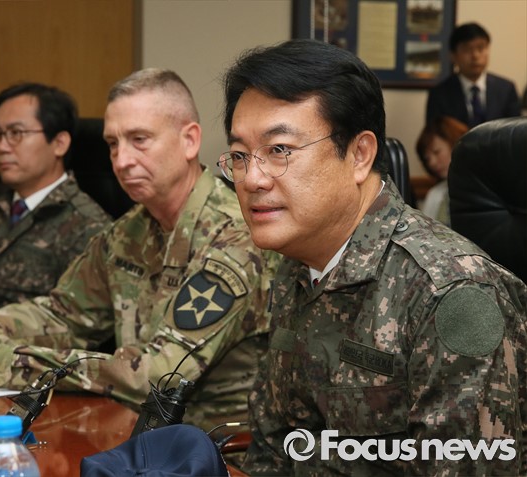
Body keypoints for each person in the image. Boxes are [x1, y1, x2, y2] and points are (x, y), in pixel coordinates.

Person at [220, 39, 527, 475]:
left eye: (279, 150)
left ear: (360, 155)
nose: (252, 179)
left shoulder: (452, 292)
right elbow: (275, 445)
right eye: (239, 155)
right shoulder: (297, 262)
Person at [0, 68, 277, 429]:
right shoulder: (130, 230)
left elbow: (159, 377)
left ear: (189, 140)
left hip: (213, 446)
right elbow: (64, 314)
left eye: (139, 139)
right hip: (135, 432)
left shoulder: (234, 237)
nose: (121, 161)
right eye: (112, 144)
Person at [0, 83, 111, 323]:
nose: (1, 146)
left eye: (16, 133)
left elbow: (77, 327)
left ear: (59, 143)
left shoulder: (87, 228)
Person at [426, 22, 521, 127]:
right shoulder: (439, 94)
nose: (475, 55)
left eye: (481, 48)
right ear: (453, 56)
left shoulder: (506, 89)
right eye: (467, 50)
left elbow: (515, 132)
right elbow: (435, 134)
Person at [414, 116, 469, 226]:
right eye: (427, 159)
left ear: (455, 144)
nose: (432, 163)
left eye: (436, 152)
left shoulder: (480, 189)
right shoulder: (435, 194)